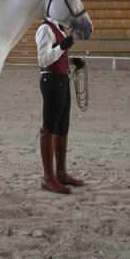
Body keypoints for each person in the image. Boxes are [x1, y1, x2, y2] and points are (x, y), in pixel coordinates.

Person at [35, 17, 85, 194]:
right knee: (50, 126)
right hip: (51, 80)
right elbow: (43, 59)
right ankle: (48, 178)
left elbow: (57, 56)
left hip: (62, 79)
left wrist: (72, 61)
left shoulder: (59, 29)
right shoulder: (45, 29)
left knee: (63, 126)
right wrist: (62, 47)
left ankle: (61, 173)